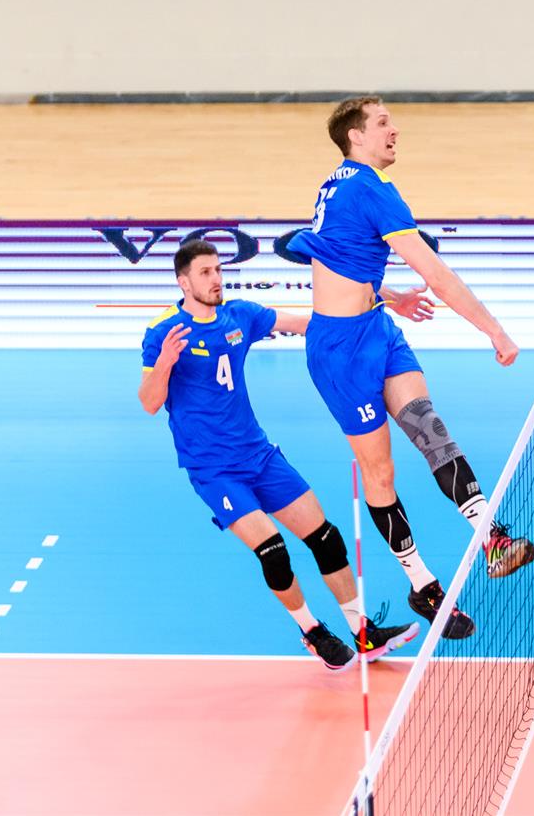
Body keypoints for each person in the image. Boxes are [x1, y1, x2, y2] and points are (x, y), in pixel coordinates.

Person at [287, 97, 534, 640]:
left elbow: (338, 257)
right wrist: (494, 330)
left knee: (429, 428)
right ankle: (421, 583)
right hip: (339, 353)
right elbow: (438, 276)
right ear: (356, 137)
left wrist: (387, 295)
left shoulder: (339, 184)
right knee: (380, 474)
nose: (395, 130)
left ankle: (492, 537)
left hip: (376, 329)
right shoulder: (369, 189)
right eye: (382, 123)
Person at [139, 238, 430, 671]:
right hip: (214, 470)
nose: (216, 279)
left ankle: (362, 631)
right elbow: (149, 402)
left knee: (326, 538)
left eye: (218, 270)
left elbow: (309, 322)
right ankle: (312, 630)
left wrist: (374, 308)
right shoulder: (163, 332)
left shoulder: (239, 315)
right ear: (184, 282)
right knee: (273, 551)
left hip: (258, 455)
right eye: (205, 273)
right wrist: (165, 362)